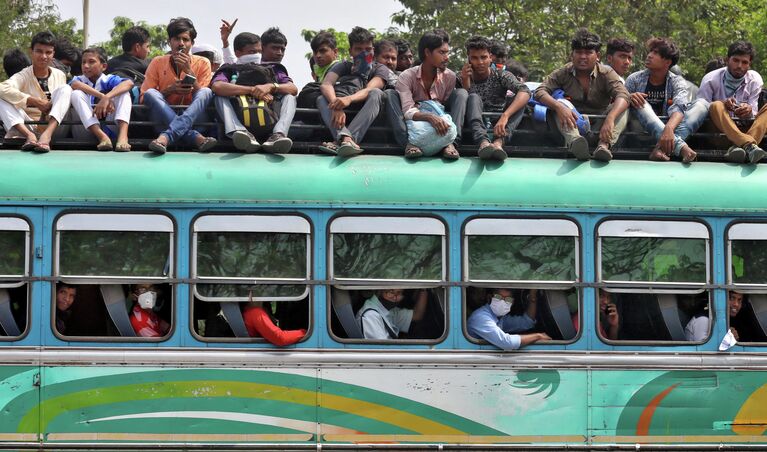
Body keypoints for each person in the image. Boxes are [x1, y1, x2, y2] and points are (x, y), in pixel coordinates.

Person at [534, 28, 630, 162]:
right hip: (572, 127)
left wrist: (611, 118)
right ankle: (576, 144)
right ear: (572, 55)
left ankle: (604, 146)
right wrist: (559, 107)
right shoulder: (563, 72)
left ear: (597, 56)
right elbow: (540, 91)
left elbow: (623, 95)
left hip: (600, 127)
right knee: (559, 105)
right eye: (578, 52)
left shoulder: (607, 73)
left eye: (588, 52)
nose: (583, 57)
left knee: (623, 109)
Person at [211, 27, 297, 153]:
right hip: (240, 114)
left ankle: (278, 135)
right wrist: (252, 90)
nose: (256, 56)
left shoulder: (273, 68)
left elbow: (293, 89)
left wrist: (271, 87)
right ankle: (239, 131)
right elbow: (217, 86)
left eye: (259, 52)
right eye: (252, 52)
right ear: (238, 53)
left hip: (269, 116)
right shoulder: (229, 69)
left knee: (290, 97)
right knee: (219, 96)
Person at [141, 17, 216, 154]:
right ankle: (194, 138)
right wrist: (169, 90)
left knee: (206, 92)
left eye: (185, 39)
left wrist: (189, 72)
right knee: (151, 93)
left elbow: (204, 97)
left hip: (196, 122)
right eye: (176, 39)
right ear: (170, 42)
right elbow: (143, 97)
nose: (181, 43)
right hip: (163, 121)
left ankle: (167, 137)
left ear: (192, 43)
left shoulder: (203, 62)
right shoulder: (157, 62)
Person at [388, 29, 468, 159]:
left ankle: (451, 144)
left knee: (461, 93)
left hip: (441, 125)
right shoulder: (407, 76)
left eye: (447, 53)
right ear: (427, 53)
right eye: (442, 52)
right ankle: (408, 144)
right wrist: (430, 117)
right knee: (390, 94)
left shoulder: (450, 77)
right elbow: (408, 111)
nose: (446, 57)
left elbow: (445, 108)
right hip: (414, 126)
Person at [316, 27, 393, 156]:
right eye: (359, 49)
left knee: (376, 93)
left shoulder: (380, 68)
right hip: (341, 114)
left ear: (373, 50)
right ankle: (346, 139)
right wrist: (336, 105)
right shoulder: (344, 66)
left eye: (368, 49)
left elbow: (370, 89)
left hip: (369, 115)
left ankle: (345, 138)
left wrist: (348, 99)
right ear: (351, 51)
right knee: (321, 99)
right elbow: (326, 84)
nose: (364, 53)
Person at [625, 38, 700, 162]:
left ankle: (660, 149)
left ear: (667, 62)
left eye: (655, 53)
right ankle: (681, 147)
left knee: (702, 105)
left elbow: (680, 107)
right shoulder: (634, 79)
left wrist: (669, 129)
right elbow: (619, 102)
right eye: (650, 52)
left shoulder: (677, 81)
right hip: (641, 133)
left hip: (670, 133)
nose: (649, 55)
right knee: (641, 103)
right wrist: (629, 97)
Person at [0, 31, 72, 152]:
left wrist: (47, 109)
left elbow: (61, 102)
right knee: (1, 97)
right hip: (29, 126)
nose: (43, 56)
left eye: (48, 52)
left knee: (66, 89)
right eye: (39, 51)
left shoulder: (60, 75)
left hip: (54, 128)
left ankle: (46, 136)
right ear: (31, 52)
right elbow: (2, 88)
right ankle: (29, 136)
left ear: (53, 54)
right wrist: (35, 101)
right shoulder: (23, 75)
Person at [461, 36, 530, 161]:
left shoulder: (501, 75)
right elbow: (457, 104)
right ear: (468, 59)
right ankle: (483, 142)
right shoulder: (460, 77)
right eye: (475, 58)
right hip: (472, 128)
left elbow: (525, 91)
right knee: (473, 97)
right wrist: (465, 83)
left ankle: (498, 143)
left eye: (483, 57)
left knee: (520, 102)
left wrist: (505, 116)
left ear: (490, 57)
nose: (480, 62)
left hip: (500, 126)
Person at [698, 41, 767, 164]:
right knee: (715, 105)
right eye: (736, 60)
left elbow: (755, 112)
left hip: (747, 130)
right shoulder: (710, 79)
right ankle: (748, 145)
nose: (740, 65)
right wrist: (723, 105)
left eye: (745, 62)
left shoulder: (754, 79)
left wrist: (748, 110)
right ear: (727, 60)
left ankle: (741, 147)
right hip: (720, 135)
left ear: (749, 64)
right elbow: (700, 113)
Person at [70, 47, 134, 151]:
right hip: (84, 131)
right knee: (76, 94)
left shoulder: (108, 79)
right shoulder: (79, 79)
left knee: (124, 93)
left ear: (103, 66)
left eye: (91, 62)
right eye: (83, 62)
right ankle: (102, 137)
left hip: (111, 129)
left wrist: (108, 97)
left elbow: (129, 83)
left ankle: (123, 137)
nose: (86, 66)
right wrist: (102, 97)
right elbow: (75, 84)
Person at [467, 288, 550, 350]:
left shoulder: (499, 318)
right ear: (489, 298)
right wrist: (538, 336)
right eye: (499, 297)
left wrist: (532, 298)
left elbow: (526, 322)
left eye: (508, 299)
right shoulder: (481, 317)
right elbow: (506, 343)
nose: (503, 302)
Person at [356, 288, 428, 340]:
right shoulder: (371, 315)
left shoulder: (388, 310)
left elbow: (417, 315)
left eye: (399, 293)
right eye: (391, 292)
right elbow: (382, 350)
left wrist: (424, 288)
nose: (394, 297)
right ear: (379, 290)